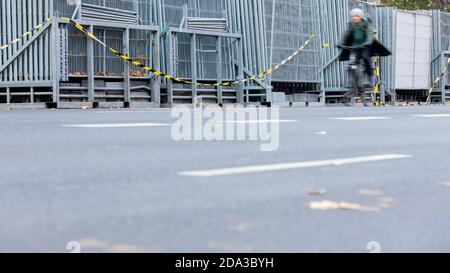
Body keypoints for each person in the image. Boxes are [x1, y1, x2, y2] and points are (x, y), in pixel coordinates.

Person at [339, 8, 391, 87]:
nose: (354, 18)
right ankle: (352, 81)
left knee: (365, 57)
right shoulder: (351, 24)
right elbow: (346, 33)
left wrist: (368, 42)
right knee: (352, 61)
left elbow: (370, 33)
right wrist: (341, 43)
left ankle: (371, 78)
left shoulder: (366, 23)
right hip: (355, 45)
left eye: (356, 16)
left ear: (360, 17)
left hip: (366, 45)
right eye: (353, 16)